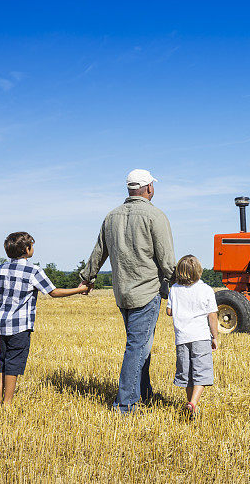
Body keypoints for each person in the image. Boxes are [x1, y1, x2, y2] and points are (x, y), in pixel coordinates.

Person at [80, 169, 176, 414]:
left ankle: (144, 393)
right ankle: (125, 404)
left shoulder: (111, 216)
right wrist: (179, 284)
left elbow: (99, 252)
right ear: (148, 188)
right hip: (147, 291)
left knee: (141, 344)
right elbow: (166, 260)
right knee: (137, 346)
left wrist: (87, 277)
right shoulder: (156, 216)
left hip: (122, 292)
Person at [0, 232, 89, 405]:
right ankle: (7, 404)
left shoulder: (0, 269)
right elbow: (54, 292)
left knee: (3, 361)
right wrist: (80, 290)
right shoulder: (32, 270)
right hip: (19, 326)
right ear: (27, 249)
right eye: (32, 246)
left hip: (1, 324)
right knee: (13, 364)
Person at [166, 255, 219, 418]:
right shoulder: (206, 290)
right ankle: (193, 403)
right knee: (201, 372)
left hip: (182, 338)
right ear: (199, 271)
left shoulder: (174, 289)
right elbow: (212, 316)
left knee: (187, 373)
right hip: (201, 337)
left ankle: (190, 403)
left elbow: (169, 311)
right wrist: (215, 336)